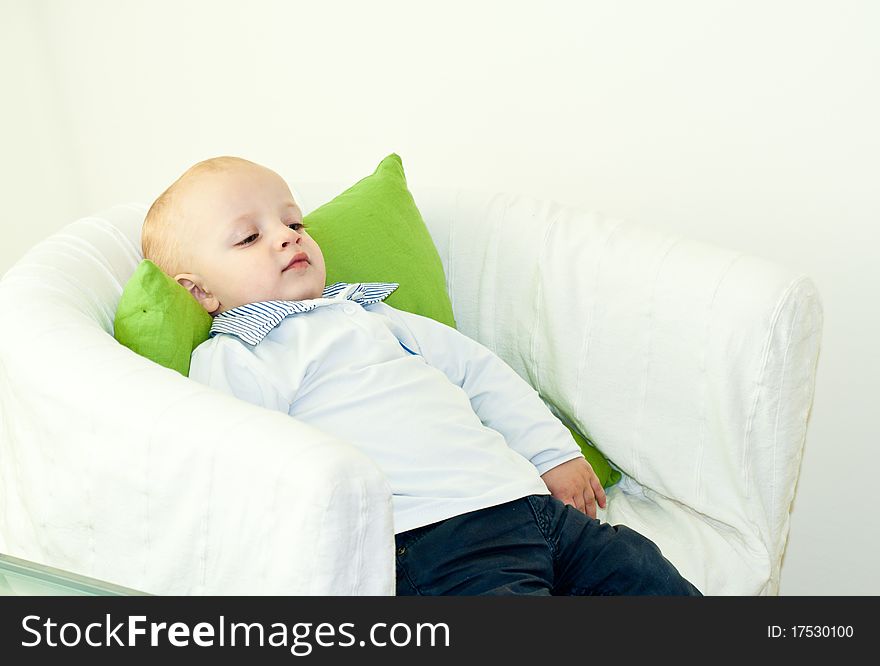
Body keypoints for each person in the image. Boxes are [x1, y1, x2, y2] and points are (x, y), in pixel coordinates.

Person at [142, 156, 702, 596]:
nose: (286, 236)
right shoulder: (241, 355)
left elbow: (481, 373)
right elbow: (250, 465)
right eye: (248, 237)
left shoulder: (371, 313)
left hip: (530, 506)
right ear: (198, 291)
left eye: (292, 222)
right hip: (432, 540)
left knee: (648, 575)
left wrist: (551, 453)